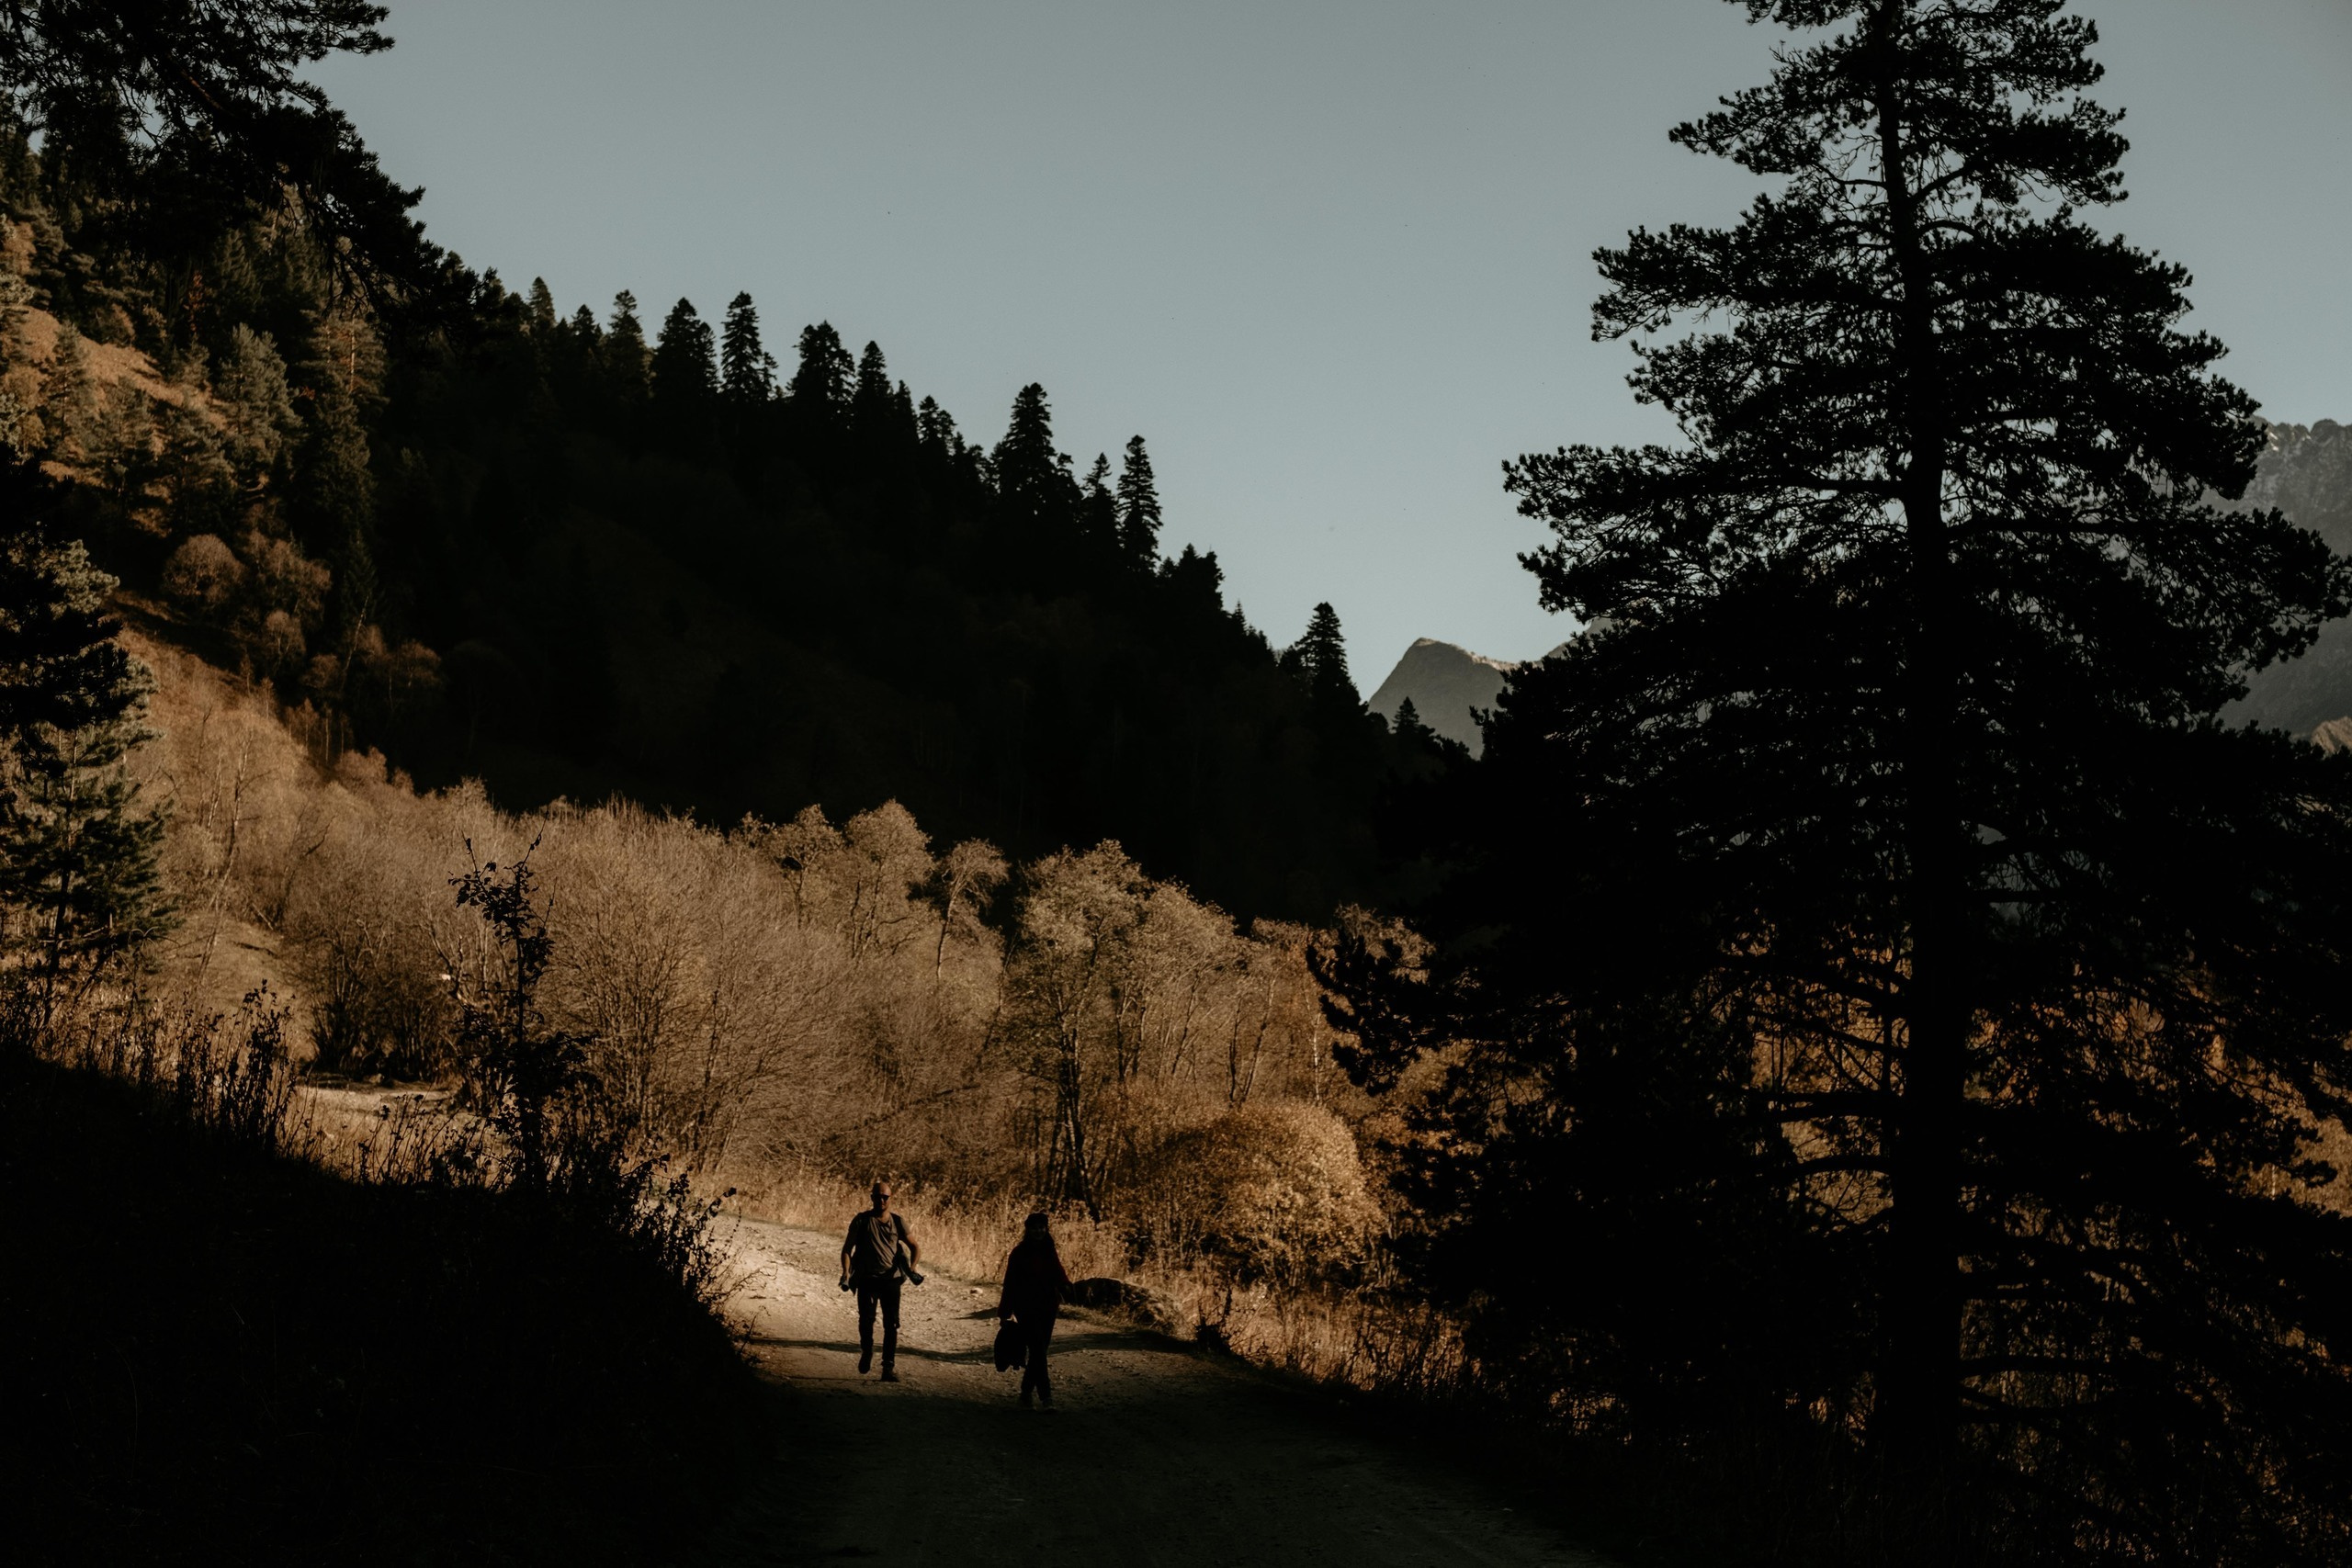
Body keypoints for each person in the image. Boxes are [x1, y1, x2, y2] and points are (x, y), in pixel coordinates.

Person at [839, 1180, 921, 1381]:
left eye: (885, 1197)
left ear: (890, 1198)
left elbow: (915, 1247)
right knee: (866, 1321)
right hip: (866, 1279)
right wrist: (846, 1272)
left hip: (891, 1281)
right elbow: (847, 1249)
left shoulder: (898, 1222)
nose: (881, 1200)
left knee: (891, 1325)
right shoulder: (862, 1220)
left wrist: (912, 1268)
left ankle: (888, 1368)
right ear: (871, 1198)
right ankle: (867, 1351)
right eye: (877, 1196)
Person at [998, 1212, 1070, 1409]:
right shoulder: (1019, 1253)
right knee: (1038, 1349)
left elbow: (1058, 1271)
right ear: (1027, 1230)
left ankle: (1025, 1392)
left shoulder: (1049, 1249)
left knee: (1040, 1350)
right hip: (1026, 1307)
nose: (1038, 1231)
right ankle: (1046, 1398)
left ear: (1046, 1229)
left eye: (1041, 1227)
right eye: (1034, 1228)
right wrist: (1005, 1312)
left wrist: (1066, 1286)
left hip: (1048, 1306)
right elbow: (1010, 1284)